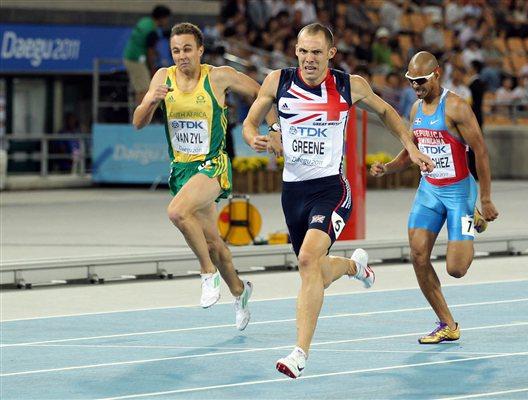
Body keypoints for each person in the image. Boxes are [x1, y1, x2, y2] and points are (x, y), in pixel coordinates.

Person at [242, 23, 434, 378]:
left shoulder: (349, 85)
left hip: (332, 189)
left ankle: (300, 353)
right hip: (292, 193)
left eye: (316, 52)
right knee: (313, 269)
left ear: (331, 53)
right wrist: (258, 137)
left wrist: (410, 145)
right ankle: (353, 267)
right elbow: (249, 123)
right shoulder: (277, 82)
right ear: (295, 51)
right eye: (303, 51)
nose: (309, 58)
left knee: (306, 259)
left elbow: (387, 113)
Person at [132, 22, 277, 331]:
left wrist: (273, 128)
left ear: (200, 50)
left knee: (177, 212)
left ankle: (206, 273)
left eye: (187, 49)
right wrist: (150, 101)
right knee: (213, 242)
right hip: (182, 170)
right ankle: (240, 292)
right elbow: (138, 122)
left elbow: (261, 93)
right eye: (175, 51)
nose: (181, 56)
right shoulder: (162, 77)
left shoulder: (218, 76)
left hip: (212, 165)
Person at [370, 51, 499, 345]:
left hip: (460, 194)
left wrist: (487, 198)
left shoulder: (456, 107)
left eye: (421, 80)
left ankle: (473, 219)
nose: (416, 86)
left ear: (437, 74)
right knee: (417, 255)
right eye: (411, 81)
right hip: (429, 190)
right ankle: (447, 324)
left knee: (456, 268)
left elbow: (480, 151)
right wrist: (388, 168)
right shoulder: (416, 110)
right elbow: (412, 151)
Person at [124, 5, 172, 105]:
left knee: (143, 89)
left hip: (131, 57)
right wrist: (152, 68)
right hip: (136, 60)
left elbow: (145, 44)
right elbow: (150, 52)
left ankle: (141, 116)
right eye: (167, 19)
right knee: (144, 89)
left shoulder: (145, 22)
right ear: (162, 18)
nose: (167, 22)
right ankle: (141, 118)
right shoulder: (152, 31)